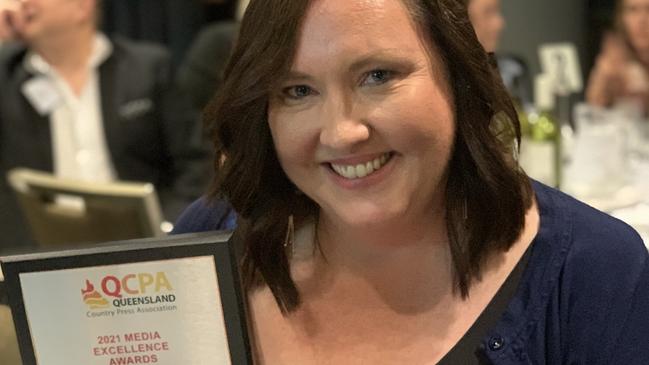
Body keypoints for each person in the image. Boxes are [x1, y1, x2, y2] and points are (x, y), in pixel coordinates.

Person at [174, 0, 649, 363]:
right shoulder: (215, 238)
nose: (342, 132)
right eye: (298, 91)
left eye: (377, 76)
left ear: (458, 75)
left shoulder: (595, 271)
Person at [0, 0, 209, 249]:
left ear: (82, 6)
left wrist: (169, 227)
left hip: (140, 244)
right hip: (38, 248)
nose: (22, 3)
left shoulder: (146, 68)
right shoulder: (7, 76)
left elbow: (196, 161)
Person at [586, 0, 649, 112]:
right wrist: (605, 79)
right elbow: (594, 108)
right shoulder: (614, 56)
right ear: (621, 17)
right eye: (633, 10)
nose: (642, 20)